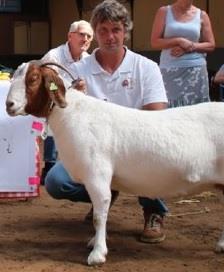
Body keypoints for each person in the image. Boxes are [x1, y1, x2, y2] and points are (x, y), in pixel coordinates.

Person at [44, 0, 169, 244]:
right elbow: (51, 89)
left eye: (116, 30)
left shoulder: (146, 68)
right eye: (103, 30)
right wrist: (64, 88)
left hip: (136, 148)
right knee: (55, 182)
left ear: (126, 32)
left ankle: (154, 210)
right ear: (95, 33)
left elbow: (158, 115)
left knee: (156, 157)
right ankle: (102, 195)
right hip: (94, 152)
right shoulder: (76, 70)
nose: (110, 36)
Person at [40, 20, 94, 182]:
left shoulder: (88, 59)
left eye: (89, 36)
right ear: (70, 36)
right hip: (49, 99)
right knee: (58, 111)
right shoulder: (54, 56)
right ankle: (49, 164)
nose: (85, 39)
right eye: (81, 34)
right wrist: (68, 93)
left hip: (75, 105)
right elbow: (49, 85)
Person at [150, 0, 215, 107]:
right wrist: (179, 41)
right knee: (170, 106)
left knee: (197, 108)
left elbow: (211, 45)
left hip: (196, 69)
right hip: (170, 68)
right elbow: (155, 42)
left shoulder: (202, 14)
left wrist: (190, 47)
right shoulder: (164, 11)